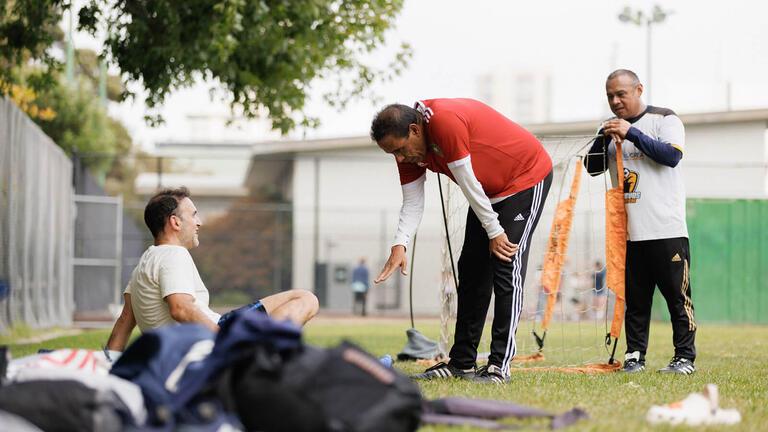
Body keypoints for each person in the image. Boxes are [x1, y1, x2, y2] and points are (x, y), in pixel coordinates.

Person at [370, 98, 552, 384]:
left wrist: (495, 232)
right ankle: (461, 363)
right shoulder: (407, 151)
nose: (401, 158)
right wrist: (400, 243)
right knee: (470, 269)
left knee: (506, 264)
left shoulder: (445, 123)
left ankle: (498, 366)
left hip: (524, 178)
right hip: (487, 192)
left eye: (400, 149)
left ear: (415, 130)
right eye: (392, 153)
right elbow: (413, 202)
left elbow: (466, 179)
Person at [105, 187, 318, 353]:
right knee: (306, 299)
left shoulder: (146, 261)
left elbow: (125, 320)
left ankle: (260, 349)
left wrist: (109, 366)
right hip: (215, 338)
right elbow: (181, 309)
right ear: (175, 222)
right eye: (194, 215)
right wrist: (224, 342)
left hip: (203, 336)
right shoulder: (173, 255)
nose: (199, 222)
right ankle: (255, 355)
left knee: (297, 297)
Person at [584, 69, 696, 375]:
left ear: (639, 90)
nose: (615, 101)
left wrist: (631, 133)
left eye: (621, 94)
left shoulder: (664, 119)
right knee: (635, 300)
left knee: (677, 298)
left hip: (666, 229)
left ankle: (684, 358)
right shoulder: (608, 128)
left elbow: (671, 156)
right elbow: (592, 169)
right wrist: (601, 138)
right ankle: (634, 356)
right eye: (610, 96)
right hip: (629, 234)